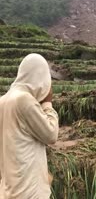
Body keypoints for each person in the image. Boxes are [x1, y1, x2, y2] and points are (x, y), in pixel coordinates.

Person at [0, 54, 59, 198]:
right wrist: (47, 103)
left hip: (10, 189)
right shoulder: (24, 100)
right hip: (28, 191)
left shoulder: (3, 101)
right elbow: (51, 134)